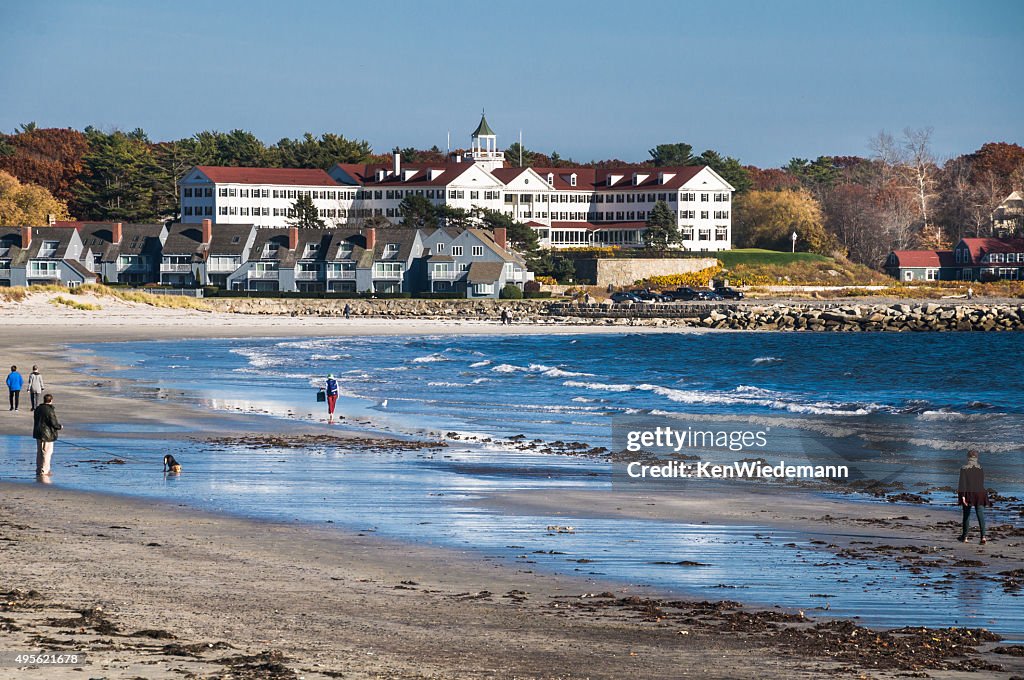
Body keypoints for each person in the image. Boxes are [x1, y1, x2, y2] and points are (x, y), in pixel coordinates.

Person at [957, 449, 990, 545]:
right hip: (980, 493)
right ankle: (983, 537)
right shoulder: (980, 468)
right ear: (977, 457)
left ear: (968, 457)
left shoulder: (964, 468)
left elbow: (962, 484)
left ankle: (965, 537)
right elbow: (981, 482)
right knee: (981, 515)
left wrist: (962, 496)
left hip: (969, 493)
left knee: (966, 515)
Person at [32, 393, 62, 477]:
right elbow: (54, 423)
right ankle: (44, 471)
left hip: (38, 433)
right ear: (51, 400)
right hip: (47, 435)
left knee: (40, 452)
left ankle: (39, 469)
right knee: (47, 453)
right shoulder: (50, 410)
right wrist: (59, 426)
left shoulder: (38, 409)